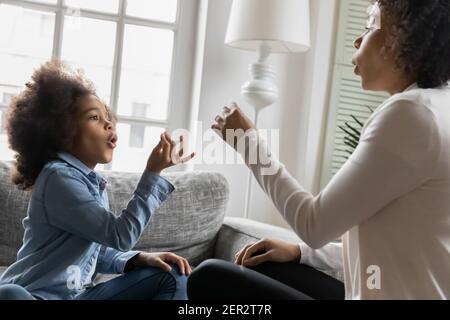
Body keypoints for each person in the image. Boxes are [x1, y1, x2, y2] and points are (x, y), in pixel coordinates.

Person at [188, 0, 450, 300]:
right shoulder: (439, 105)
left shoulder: (410, 115)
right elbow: (398, 245)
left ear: (403, 39)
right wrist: (301, 253)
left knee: (210, 278)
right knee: (263, 267)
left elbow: (313, 224)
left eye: (369, 26)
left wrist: (249, 144)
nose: (357, 39)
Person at [0, 60, 195, 300]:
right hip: (34, 296)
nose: (108, 123)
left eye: (107, 116)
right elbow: (120, 236)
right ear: (62, 132)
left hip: (78, 297)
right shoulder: (57, 177)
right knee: (10, 294)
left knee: (171, 273)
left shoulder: (92, 183)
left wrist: (140, 259)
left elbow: (94, 251)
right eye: (94, 117)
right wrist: (152, 174)